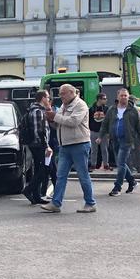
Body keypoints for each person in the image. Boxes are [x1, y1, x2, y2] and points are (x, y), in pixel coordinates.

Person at [40, 83, 97, 213]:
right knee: (60, 175)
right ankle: (56, 203)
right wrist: (51, 120)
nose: (61, 96)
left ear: (72, 93)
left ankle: (90, 203)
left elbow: (73, 121)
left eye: (63, 93)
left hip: (79, 144)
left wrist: (55, 116)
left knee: (83, 175)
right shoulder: (63, 106)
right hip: (65, 145)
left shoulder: (80, 105)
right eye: (60, 94)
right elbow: (60, 124)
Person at [98, 87, 140, 196]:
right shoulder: (112, 109)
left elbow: (139, 126)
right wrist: (100, 136)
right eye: (121, 95)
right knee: (121, 163)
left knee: (121, 163)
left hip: (127, 140)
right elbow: (105, 124)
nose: (123, 97)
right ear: (117, 97)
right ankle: (132, 182)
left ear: (128, 97)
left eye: (125, 95)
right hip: (115, 139)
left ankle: (117, 187)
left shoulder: (133, 110)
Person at [20, 89, 51, 206]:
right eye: (47, 97)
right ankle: (28, 190)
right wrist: (46, 146)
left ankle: (36, 196)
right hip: (38, 145)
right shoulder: (38, 111)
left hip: (36, 144)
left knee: (38, 169)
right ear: (43, 98)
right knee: (44, 169)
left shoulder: (35, 110)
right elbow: (39, 131)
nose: (49, 100)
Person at [89, 92, 110, 170]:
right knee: (94, 150)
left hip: (103, 132)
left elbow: (108, 120)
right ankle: (93, 165)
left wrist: (108, 132)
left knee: (104, 149)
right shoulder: (91, 109)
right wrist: (90, 129)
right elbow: (89, 120)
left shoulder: (106, 109)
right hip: (94, 131)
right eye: (104, 99)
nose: (106, 100)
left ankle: (106, 164)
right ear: (99, 99)